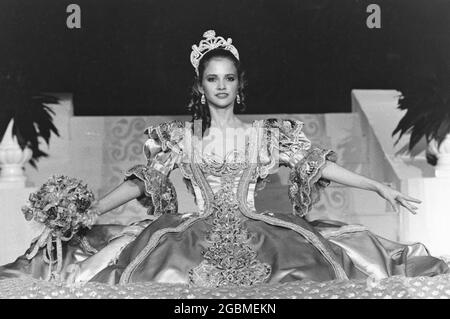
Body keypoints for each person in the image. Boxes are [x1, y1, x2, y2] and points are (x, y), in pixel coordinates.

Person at [0, 30, 448, 286]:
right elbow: (140, 181)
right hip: (190, 234)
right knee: (152, 273)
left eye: (228, 78)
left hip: (262, 231)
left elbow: (315, 163)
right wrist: (90, 210)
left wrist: (375, 185)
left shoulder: (265, 134)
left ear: (238, 85)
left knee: (319, 266)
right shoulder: (179, 138)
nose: (220, 86)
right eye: (212, 78)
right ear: (200, 86)